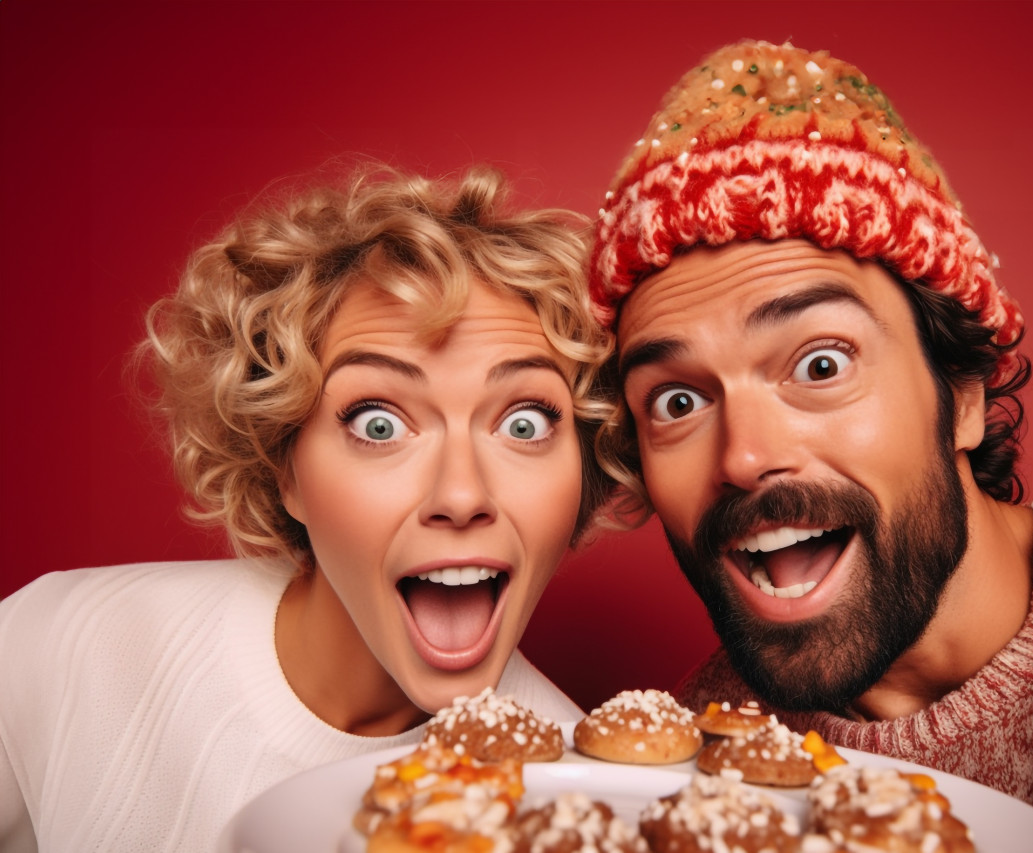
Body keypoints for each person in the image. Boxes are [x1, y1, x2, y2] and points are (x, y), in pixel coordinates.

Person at [589, 40, 1033, 852]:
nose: (743, 457)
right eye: (677, 400)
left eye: (820, 363)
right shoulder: (694, 754)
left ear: (961, 396)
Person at [0, 164, 613, 851]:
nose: (462, 495)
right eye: (378, 423)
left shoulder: (585, 804)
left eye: (524, 424)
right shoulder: (54, 648)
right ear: (284, 465)